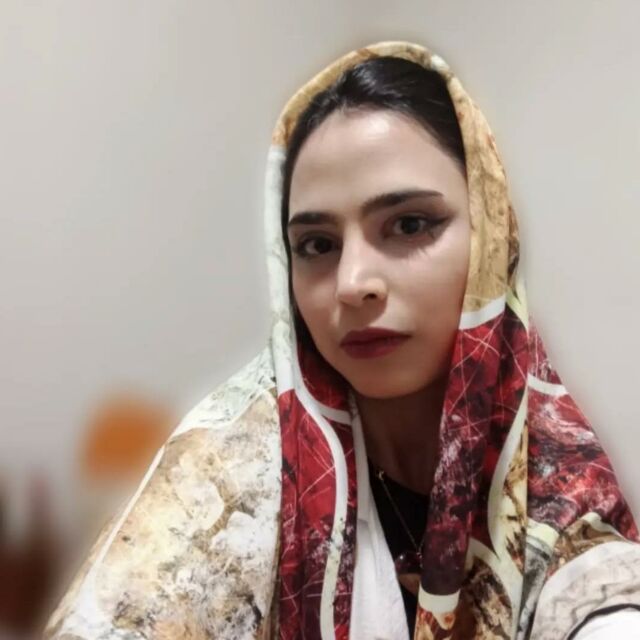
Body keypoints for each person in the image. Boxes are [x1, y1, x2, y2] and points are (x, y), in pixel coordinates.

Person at [43, 40, 640, 640]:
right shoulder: (232, 478)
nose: (352, 284)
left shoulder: (559, 491)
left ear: (491, 237)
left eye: (409, 224)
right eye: (318, 245)